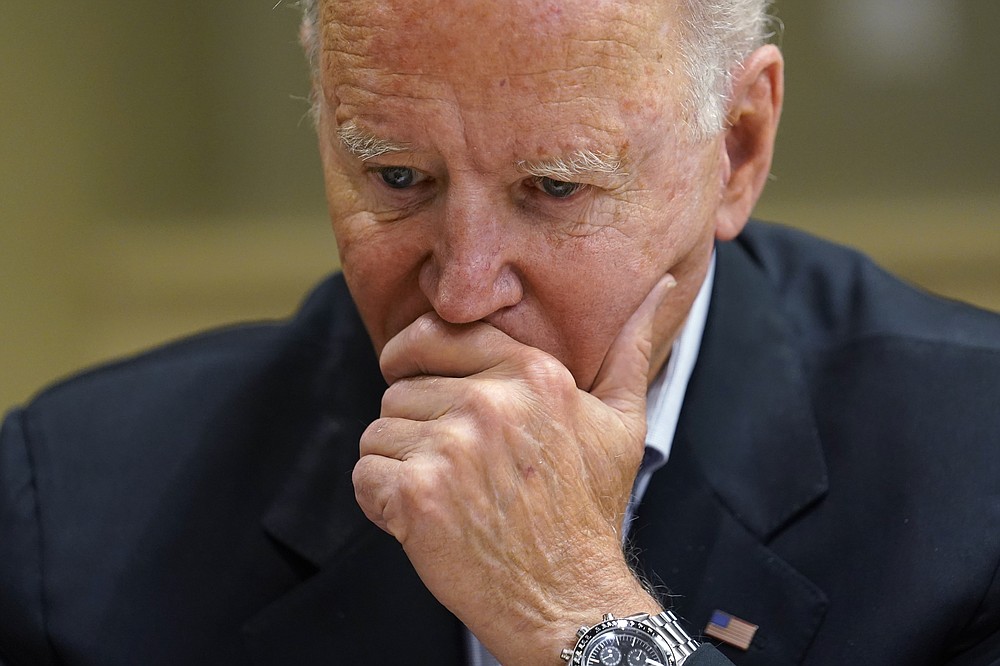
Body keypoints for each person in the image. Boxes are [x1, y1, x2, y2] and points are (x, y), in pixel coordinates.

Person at [1, 0, 998, 664]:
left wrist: (580, 617)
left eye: (554, 189)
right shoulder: (73, 514)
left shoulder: (971, 477)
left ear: (737, 148)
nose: (464, 286)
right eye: (397, 177)